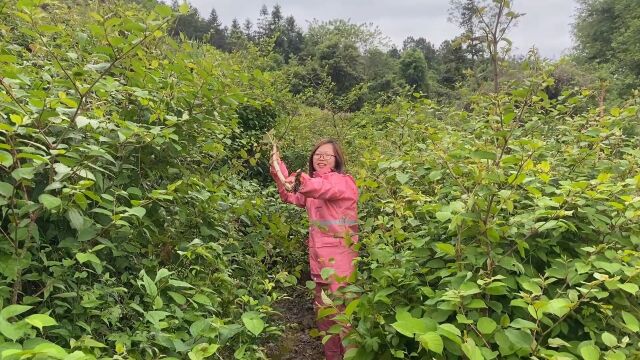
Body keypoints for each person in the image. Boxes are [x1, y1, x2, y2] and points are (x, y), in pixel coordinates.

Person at [270, 139, 358, 360]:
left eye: (326, 155)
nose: (320, 158)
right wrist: (277, 166)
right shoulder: (312, 186)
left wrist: (299, 180)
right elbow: (291, 195)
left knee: (343, 316)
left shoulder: (343, 182)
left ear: (336, 159)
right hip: (319, 261)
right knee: (324, 316)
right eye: (317, 154)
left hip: (341, 262)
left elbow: (321, 188)